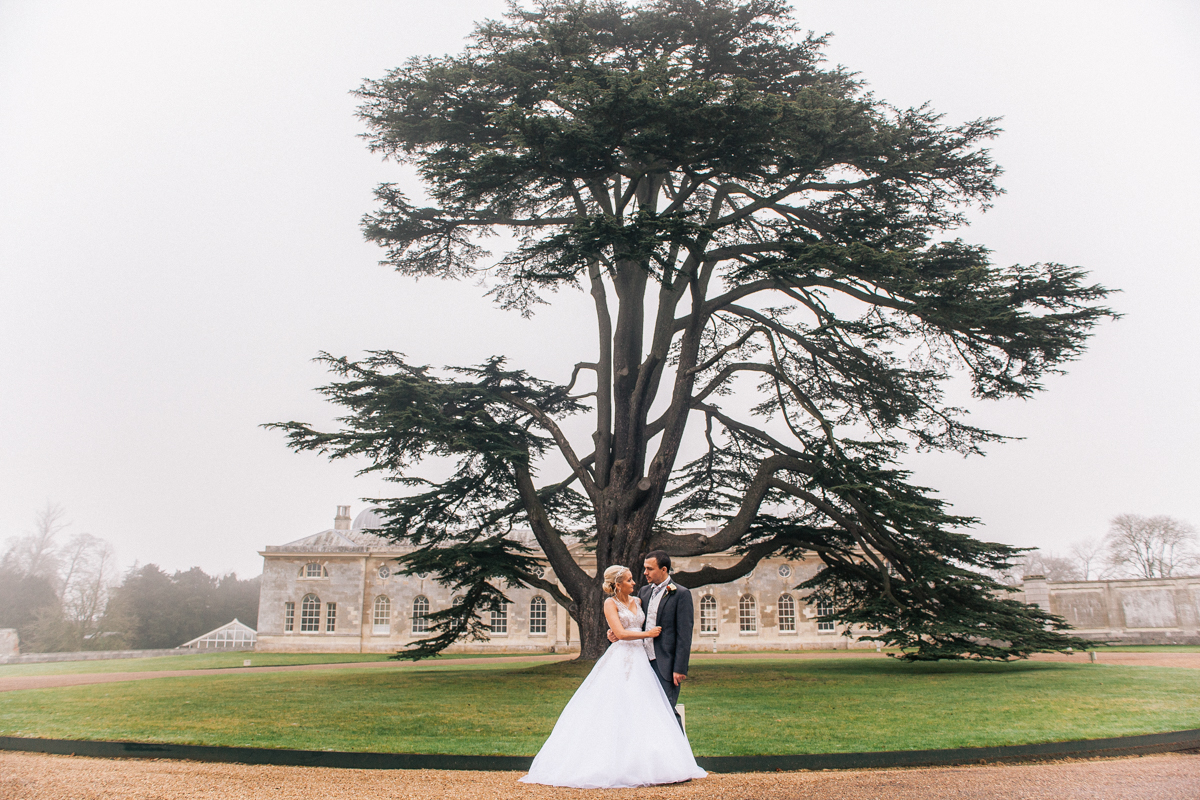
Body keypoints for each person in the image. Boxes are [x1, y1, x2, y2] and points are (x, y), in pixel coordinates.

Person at [519, 565, 706, 789]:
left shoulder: (639, 600)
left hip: (642, 660)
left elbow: (649, 618)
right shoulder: (610, 603)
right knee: (614, 707)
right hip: (621, 658)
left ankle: (649, 764)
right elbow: (619, 633)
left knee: (645, 710)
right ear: (618, 584)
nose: (635, 582)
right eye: (629, 580)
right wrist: (646, 633)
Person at [609, 550, 693, 730]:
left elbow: (684, 635)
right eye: (644, 568)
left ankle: (680, 755)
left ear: (663, 569)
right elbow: (635, 621)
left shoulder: (681, 594)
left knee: (666, 710)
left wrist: (679, 668)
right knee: (644, 712)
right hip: (641, 662)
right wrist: (614, 633)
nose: (645, 572)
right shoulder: (643, 592)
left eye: (649, 569)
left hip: (665, 664)